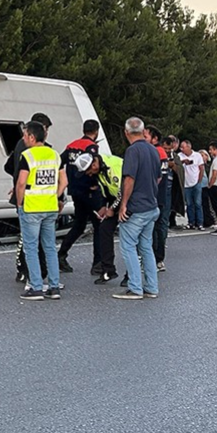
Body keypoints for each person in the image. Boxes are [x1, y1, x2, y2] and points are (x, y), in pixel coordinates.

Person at [15, 121, 67, 299]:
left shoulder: (28, 156)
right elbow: (64, 181)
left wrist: (20, 203)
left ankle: (36, 287)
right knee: (50, 247)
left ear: (31, 136)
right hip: (50, 207)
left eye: (24, 135)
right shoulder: (54, 155)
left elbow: (21, 182)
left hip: (32, 207)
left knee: (31, 248)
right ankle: (54, 287)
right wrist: (54, 194)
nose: (23, 139)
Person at [114, 117, 162, 300]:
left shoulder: (132, 151)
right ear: (143, 132)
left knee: (128, 246)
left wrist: (123, 204)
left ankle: (135, 287)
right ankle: (152, 286)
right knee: (146, 247)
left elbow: (129, 179)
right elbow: (158, 177)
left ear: (126, 133)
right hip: (151, 205)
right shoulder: (153, 150)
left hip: (137, 207)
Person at [6, 112, 53, 284]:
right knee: (37, 241)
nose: (47, 133)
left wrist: (18, 182)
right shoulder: (44, 150)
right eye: (46, 129)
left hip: (24, 196)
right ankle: (36, 275)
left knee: (27, 238)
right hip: (35, 199)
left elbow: (8, 166)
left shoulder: (19, 145)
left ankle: (25, 271)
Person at [59, 120, 101, 274]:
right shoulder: (91, 147)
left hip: (75, 191)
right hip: (89, 191)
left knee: (79, 224)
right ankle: (98, 263)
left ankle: (61, 254)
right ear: (96, 132)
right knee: (98, 226)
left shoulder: (71, 145)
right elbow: (94, 167)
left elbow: (59, 162)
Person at [76, 152, 121, 284]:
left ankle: (131, 275)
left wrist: (112, 209)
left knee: (130, 237)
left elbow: (123, 190)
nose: (88, 174)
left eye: (88, 171)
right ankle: (108, 270)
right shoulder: (99, 170)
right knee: (104, 229)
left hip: (131, 197)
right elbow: (106, 191)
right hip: (117, 198)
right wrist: (103, 207)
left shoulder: (114, 166)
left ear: (94, 165)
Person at [144, 126, 171, 272]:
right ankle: (159, 259)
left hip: (154, 196)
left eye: (146, 136)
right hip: (161, 196)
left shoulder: (155, 152)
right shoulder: (161, 153)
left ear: (154, 139)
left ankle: (154, 258)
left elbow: (156, 178)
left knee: (153, 228)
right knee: (159, 227)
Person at [178, 140, 206, 230]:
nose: (182, 149)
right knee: (189, 204)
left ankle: (200, 222)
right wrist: (183, 162)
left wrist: (199, 180)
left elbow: (201, 168)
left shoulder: (197, 155)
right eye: (181, 147)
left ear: (189, 147)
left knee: (198, 203)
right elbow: (176, 165)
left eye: (183, 147)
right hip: (186, 184)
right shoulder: (179, 156)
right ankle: (191, 222)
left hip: (196, 182)